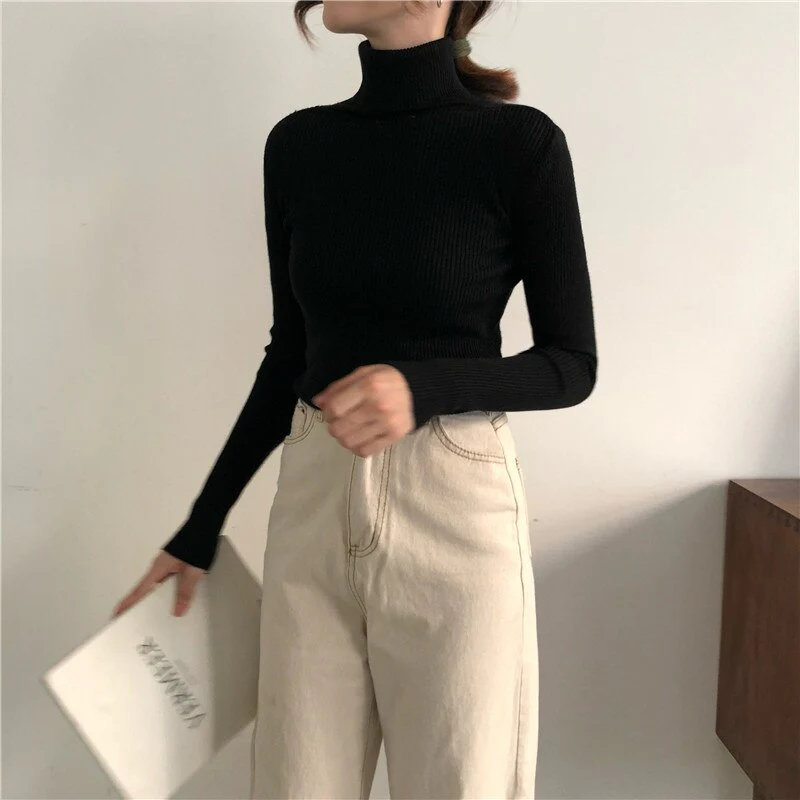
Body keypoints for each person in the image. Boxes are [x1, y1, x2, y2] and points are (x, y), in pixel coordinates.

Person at [113, 1, 598, 797]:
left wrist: (423, 386)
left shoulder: (519, 144)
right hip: (313, 500)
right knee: (294, 784)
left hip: (455, 509)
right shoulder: (300, 146)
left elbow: (570, 365)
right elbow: (291, 355)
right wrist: (200, 529)